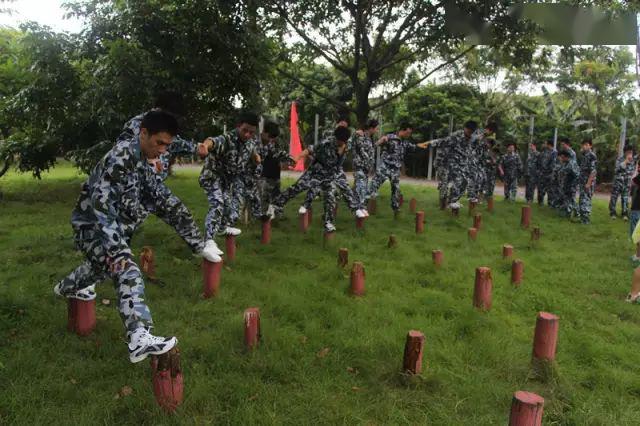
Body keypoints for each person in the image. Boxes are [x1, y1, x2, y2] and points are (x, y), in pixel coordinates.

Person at [54, 111, 219, 362]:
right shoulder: (122, 156)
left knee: (99, 269)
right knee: (126, 269)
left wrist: (199, 244)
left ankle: (64, 288)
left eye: (167, 145)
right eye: (159, 143)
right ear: (143, 134)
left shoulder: (143, 163)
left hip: (111, 229)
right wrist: (118, 250)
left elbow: (168, 204)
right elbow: (101, 206)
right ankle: (139, 337)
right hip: (92, 228)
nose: (163, 150)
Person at [270, 127, 366, 232]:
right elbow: (308, 150)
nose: (341, 144)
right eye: (339, 141)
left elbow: (353, 137)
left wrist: (357, 133)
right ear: (336, 138)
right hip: (316, 172)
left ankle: (330, 221)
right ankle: (275, 205)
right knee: (297, 187)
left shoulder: (347, 143)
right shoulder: (326, 143)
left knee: (331, 195)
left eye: (344, 142)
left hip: (332, 173)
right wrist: (297, 159)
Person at [199, 111, 260, 252]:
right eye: (245, 130)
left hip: (227, 181)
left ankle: (222, 227)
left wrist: (256, 157)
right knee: (218, 203)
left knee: (231, 207)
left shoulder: (249, 143)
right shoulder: (227, 139)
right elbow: (212, 141)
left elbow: (252, 151)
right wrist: (204, 146)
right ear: (238, 126)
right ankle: (208, 240)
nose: (247, 135)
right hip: (212, 177)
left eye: (251, 132)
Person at [366, 122, 429, 212]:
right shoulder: (390, 137)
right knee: (373, 186)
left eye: (410, 133)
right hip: (385, 166)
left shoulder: (405, 142)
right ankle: (363, 206)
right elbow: (376, 145)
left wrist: (422, 145)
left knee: (396, 189)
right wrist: (381, 141)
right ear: (402, 130)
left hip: (395, 169)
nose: (409, 135)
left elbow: (414, 147)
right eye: (408, 133)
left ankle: (395, 208)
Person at [424, 120, 479, 210]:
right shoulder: (456, 136)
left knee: (464, 181)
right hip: (447, 162)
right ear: (465, 128)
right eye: (469, 132)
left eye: (472, 132)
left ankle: (452, 200)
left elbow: (476, 140)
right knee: (446, 183)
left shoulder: (472, 137)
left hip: (459, 163)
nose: (470, 134)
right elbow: (443, 141)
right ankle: (445, 204)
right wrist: (429, 143)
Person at [257, 122, 294, 216]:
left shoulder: (272, 143)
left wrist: (290, 159)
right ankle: (263, 219)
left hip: (275, 174)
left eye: (274, 137)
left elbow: (278, 153)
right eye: (270, 136)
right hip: (262, 176)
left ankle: (277, 218)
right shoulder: (254, 143)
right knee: (263, 199)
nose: (271, 139)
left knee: (277, 198)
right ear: (264, 132)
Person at [352, 119, 379, 210]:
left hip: (366, 169)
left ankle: (358, 209)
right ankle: (360, 210)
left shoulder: (369, 138)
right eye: (376, 128)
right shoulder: (361, 136)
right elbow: (362, 151)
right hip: (360, 167)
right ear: (371, 128)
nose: (377, 130)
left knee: (361, 190)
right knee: (361, 189)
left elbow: (369, 150)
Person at [609, 146, 635, 220]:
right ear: (625, 152)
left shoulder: (632, 161)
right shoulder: (620, 160)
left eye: (631, 152)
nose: (630, 154)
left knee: (625, 198)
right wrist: (625, 162)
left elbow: (632, 171)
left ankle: (624, 213)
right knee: (614, 197)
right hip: (618, 182)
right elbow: (616, 170)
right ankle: (612, 213)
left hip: (627, 183)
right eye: (629, 152)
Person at [577, 139, 597, 224]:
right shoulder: (584, 155)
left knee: (586, 200)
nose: (584, 146)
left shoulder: (592, 156)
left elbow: (593, 171)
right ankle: (582, 219)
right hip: (582, 181)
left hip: (588, 182)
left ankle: (586, 220)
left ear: (590, 146)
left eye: (586, 145)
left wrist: (588, 183)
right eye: (583, 145)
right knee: (582, 199)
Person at [556, 150, 580, 217]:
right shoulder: (565, 163)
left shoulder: (571, 164)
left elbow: (577, 175)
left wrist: (573, 186)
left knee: (571, 199)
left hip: (571, 185)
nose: (560, 159)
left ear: (565, 157)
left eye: (561, 157)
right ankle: (570, 212)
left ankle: (575, 213)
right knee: (567, 199)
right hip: (566, 185)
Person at [538, 140, 557, 205]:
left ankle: (550, 203)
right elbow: (539, 162)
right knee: (541, 188)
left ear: (549, 145)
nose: (543, 145)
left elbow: (553, 165)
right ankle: (540, 202)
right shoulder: (543, 152)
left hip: (550, 174)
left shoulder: (554, 153)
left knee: (550, 190)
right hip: (542, 174)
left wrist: (550, 173)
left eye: (545, 143)